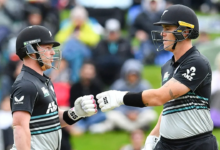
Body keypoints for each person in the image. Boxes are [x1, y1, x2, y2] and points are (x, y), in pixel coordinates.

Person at [96, 5, 218, 150]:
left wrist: (119, 97)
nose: (162, 34)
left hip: (196, 144)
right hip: (169, 144)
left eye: (167, 28)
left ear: (185, 32)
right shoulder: (167, 66)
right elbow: (169, 106)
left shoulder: (197, 62)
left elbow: (158, 97)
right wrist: (153, 136)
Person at [10, 25, 98, 150]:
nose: (52, 52)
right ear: (31, 51)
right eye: (47, 48)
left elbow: (53, 120)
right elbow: (19, 127)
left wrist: (76, 112)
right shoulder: (26, 84)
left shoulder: (43, 80)